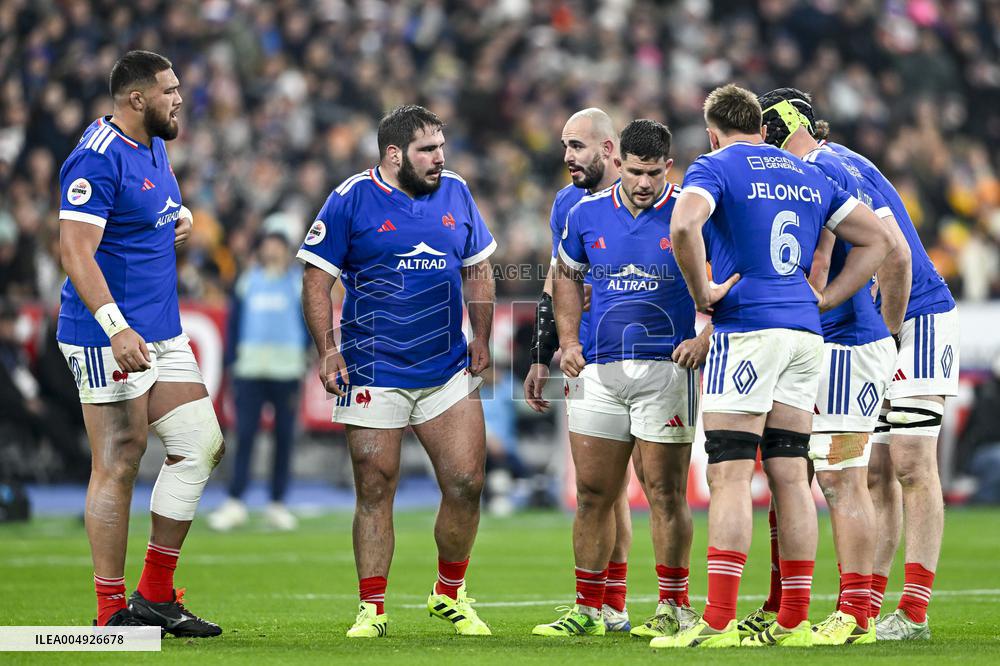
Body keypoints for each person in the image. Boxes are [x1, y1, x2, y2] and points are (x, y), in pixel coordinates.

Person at [652, 84, 894, 649]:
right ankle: (794, 623)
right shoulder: (807, 171)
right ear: (761, 126)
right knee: (790, 476)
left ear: (713, 131)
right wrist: (827, 299)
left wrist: (704, 291)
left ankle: (715, 621)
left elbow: (684, 225)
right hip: (805, 335)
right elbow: (879, 240)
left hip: (749, 329)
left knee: (730, 472)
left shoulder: (714, 166)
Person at [298, 105, 496, 639]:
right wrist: (328, 350)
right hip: (373, 365)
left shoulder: (456, 192)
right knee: (375, 486)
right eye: (427, 150)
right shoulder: (349, 199)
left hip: (446, 366)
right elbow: (316, 282)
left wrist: (482, 337)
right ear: (393, 154)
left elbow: (478, 268)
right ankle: (373, 608)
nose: (440, 158)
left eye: (441, 146)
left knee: (466, 482)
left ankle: (448, 593)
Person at [732, 87, 911, 645]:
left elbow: (891, 249)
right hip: (817, 346)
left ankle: (857, 614)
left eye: (763, 132)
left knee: (839, 477)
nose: (759, 146)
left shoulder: (826, 167)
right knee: (791, 475)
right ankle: (784, 606)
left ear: (779, 126)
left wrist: (853, 314)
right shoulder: (811, 170)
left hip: (849, 345)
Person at [56, 50, 222, 635]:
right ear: (136, 99)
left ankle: (154, 596)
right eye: (170, 89)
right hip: (108, 334)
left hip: (160, 329)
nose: (180, 98)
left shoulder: (152, 142)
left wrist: (180, 218)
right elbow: (74, 250)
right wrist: (115, 327)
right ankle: (108, 615)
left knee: (201, 443)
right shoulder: (95, 160)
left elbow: (145, 209)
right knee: (120, 460)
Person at [532, 119, 708, 638]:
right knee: (593, 492)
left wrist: (706, 334)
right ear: (620, 164)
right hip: (600, 370)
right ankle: (588, 608)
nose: (644, 183)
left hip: (667, 369)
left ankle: (674, 606)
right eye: (635, 172)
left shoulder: (690, 213)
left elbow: (735, 273)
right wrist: (566, 343)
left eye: (654, 173)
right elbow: (565, 276)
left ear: (667, 167)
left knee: (665, 492)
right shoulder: (585, 212)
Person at [523, 107, 639, 632]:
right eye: (564, 146)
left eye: (577, 146)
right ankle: (604, 606)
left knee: (648, 491)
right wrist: (539, 353)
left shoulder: (652, 194)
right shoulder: (567, 203)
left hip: (648, 360)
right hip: (587, 357)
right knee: (601, 489)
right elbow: (555, 281)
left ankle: (635, 603)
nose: (567, 157)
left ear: (609, 148)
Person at [208, 230, 308, 532]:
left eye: (278, 246)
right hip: (250, 371)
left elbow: (308, 322)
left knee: (284, 439)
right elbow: (235, 323)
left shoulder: (296, 284)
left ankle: (277, 502)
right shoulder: (247, 281)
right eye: (268, 246)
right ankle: (235, 501)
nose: (273, 251)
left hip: (287, 371)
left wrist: (306, 357)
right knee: (245, 436)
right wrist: (232, 363)